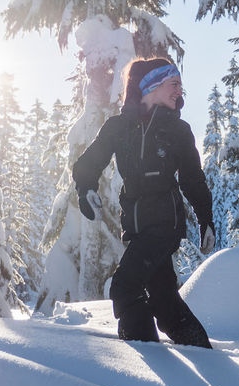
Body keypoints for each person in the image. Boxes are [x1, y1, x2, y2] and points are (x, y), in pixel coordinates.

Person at [72, 57, 215, 348]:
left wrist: (205, 218)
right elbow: (91, 160)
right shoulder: (119, 128)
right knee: (163, 298)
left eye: (180, 86)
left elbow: (192, 179)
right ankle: (202, 353)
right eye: (174, 84)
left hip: (164, 224)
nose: (180, 91)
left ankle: (144, 361)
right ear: (151, 86)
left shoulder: (178, 130)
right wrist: (85, 188)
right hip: (137, 227)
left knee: (125, 287)